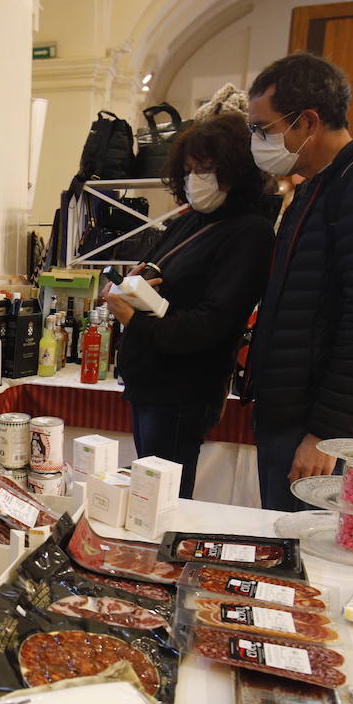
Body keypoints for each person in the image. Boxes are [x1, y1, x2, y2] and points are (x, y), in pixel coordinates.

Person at [243, 52, 353, 511]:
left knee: (311, 554)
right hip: (290, 407)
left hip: (319, 421)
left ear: (307, 121)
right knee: (284, 541)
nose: (258, 141)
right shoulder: (318, 185)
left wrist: (327, 434)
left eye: (263, 128)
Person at [104, 113, 274, 499]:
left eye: (206, 169)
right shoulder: (190, 220)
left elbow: (215, 322)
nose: (195, 179)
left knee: (163, 501)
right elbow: (165, 281)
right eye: (189, 170)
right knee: (147, 492)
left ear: (234, 171)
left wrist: (137, 319)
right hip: (150, 377)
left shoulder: (250, 232)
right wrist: (134, 285)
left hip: (183, 388)